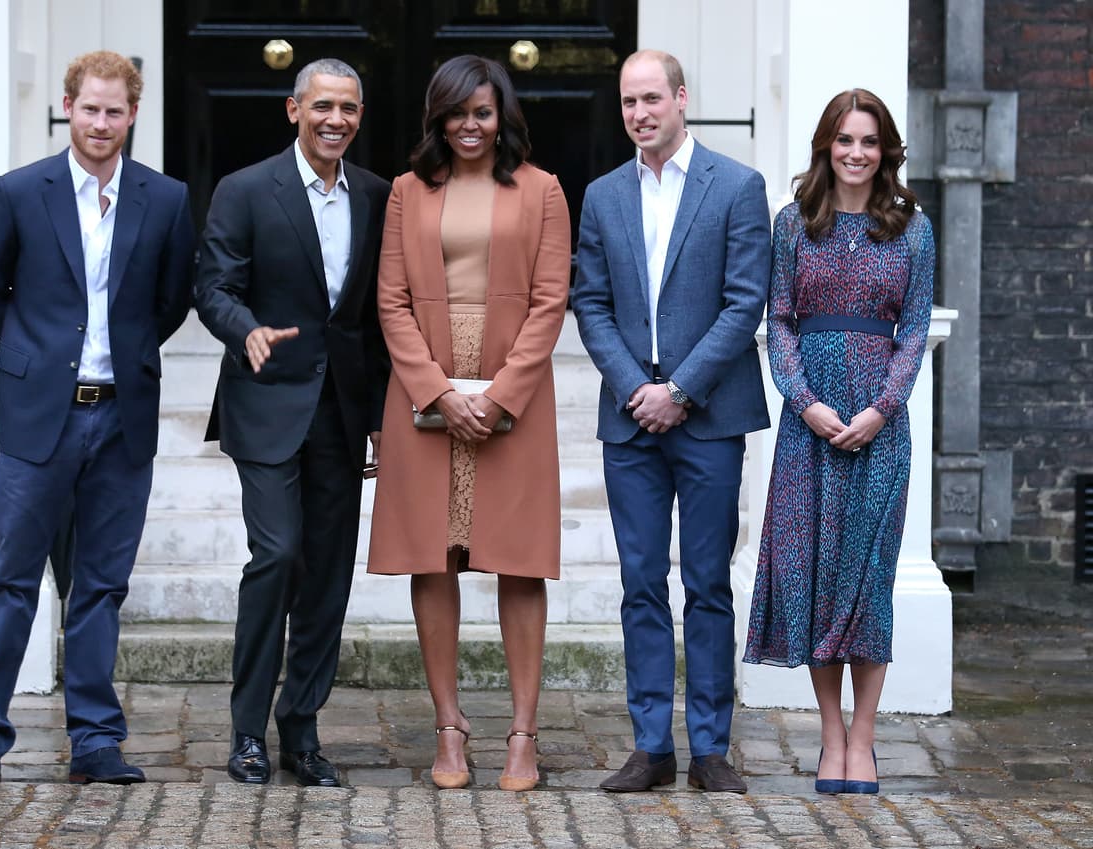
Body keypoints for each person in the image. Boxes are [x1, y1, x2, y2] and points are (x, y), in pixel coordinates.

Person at [0, 51, 196, 784]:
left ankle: (94, 739)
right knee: (12, 580)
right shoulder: (21, 191)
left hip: (122, 420)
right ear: (68, 106)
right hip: (38, 419)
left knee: (99, 586)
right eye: (89, 108)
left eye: (114, 111)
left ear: (132, 114)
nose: (100, 122)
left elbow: (170, 300)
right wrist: (38, 359)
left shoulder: (168, 198)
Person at [367, 55, 570, 792]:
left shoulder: (543, 190)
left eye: (481, 112)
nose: (469, 126)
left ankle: (523, 734)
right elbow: (390, 299)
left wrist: (502, 393)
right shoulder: (405, 191)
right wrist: (437, 390)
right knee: (434, 556)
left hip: (514, 392)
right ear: (437, 119)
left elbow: (551, 301)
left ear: (501, 115)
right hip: (426, 389)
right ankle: (449, 728)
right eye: (455, 113)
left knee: (517, 559)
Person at [571, 50, 771, 794]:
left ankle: (711, 747)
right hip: (631, 424)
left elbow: (744, 299)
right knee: (640, 582)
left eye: (652, 98)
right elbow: (588, 302)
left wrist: (681, 388)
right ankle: (651, 744)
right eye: (628, 102)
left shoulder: (737, 186)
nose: (639, 113)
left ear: (682, 98)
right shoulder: (602, 195)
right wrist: (636, 387)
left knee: (709, 582)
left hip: (711, 418)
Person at [194, 58, 391, 788]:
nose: (334, 119)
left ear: (359, 115)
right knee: (276, 556)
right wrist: (242, 328)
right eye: (321, 106)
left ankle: (299, 730)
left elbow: (373, 319)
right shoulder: (246, 190)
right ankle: (246, 730)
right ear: (293, 110)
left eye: (347, 107)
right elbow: (212, 283)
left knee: (327, 579)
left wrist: (377, 415)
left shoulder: (376, 195)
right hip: (267, 402)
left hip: (341, 414)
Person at [743, 89, 935, 796]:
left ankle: (865, 738)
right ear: (827, 145)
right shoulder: (794, 223)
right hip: (810, 428)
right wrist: (807, 403)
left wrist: (883, 407)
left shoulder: (913, 228)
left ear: (886, 151)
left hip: (882, 430)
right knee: (816, 578)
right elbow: (781, 322)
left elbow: (914, 330)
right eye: (844, 140)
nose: (856, 153)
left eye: (870, 141)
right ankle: (830, 735)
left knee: (867, 584)